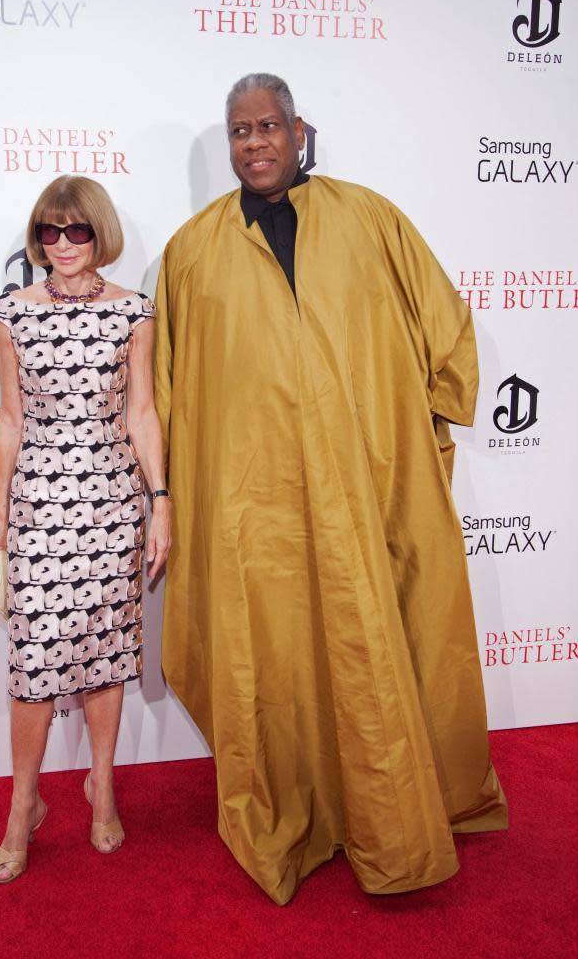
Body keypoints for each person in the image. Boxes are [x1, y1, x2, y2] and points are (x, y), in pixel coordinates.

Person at [154, 73, 508, 905]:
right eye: (239, 131)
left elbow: (443, 326)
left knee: (374, 640)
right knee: (271, 656)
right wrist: (168, 491)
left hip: (363, 486)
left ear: (299, 129)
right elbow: (169, 384)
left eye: (268, 125)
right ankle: (296, 812)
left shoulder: (368, 218)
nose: (255, 143)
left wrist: (417, 429)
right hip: (255, 508)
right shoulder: (192, 250)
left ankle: (390, 815)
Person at [0, 175, 170, 883]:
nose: (63, 244)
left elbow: (143, 414)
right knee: (33, 660)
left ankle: (102, 789)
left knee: (105, 645)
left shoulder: (134, 313)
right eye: (51, 231)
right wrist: (0, 513)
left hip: (111, 502)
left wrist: (161, 502)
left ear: (100, 233)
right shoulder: (11, 313)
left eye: (78, 231)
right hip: (38, 499)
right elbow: (10, 419)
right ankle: (21, 807)